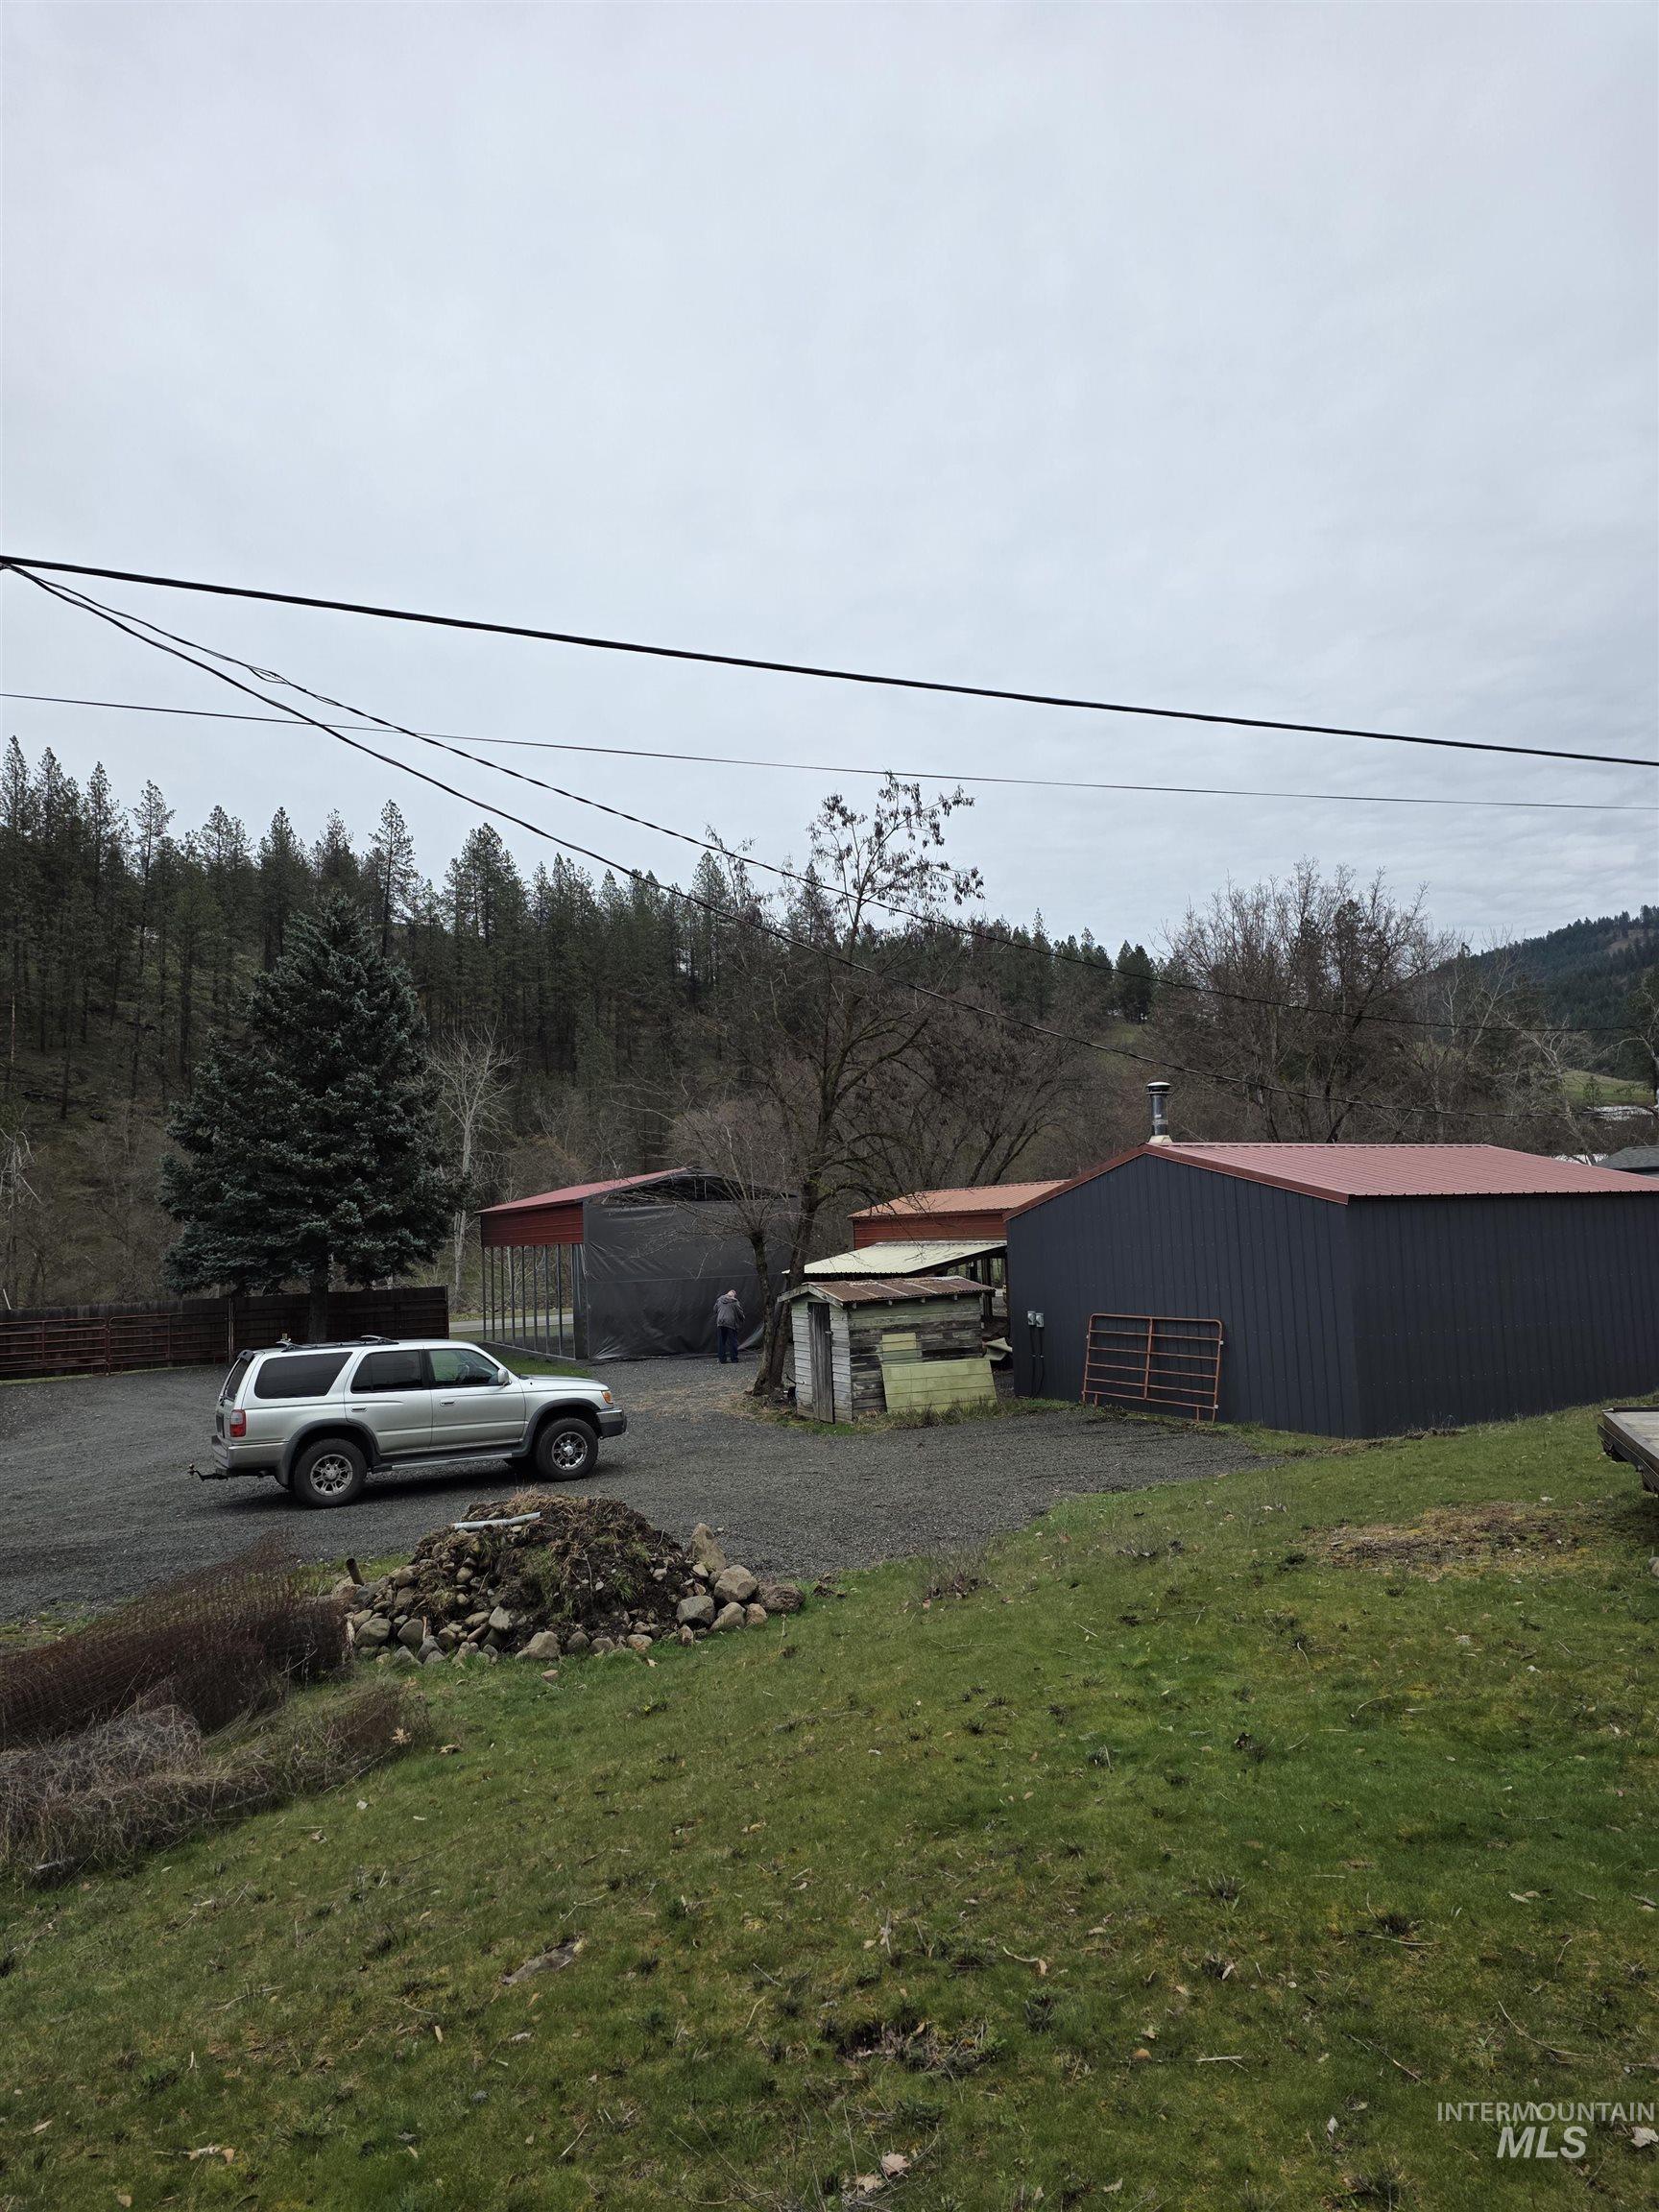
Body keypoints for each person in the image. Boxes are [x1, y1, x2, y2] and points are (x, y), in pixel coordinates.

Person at [713, 1287, 745, 1364]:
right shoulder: (734, 1302)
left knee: (721, 1342)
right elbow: (739, 1313)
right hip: (730, 1323)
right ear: (733, 1295)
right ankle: (734, 1359)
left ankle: (722, 1360)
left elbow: (715, 1310)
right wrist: (742, 1318)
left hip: (720, 1322)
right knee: (733, 1341)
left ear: (727, 1293)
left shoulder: (720, 1300)